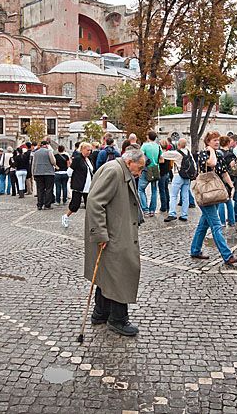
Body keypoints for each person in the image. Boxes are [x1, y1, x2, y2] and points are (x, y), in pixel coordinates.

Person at [84, 145, 145, 336]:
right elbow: (95, 202)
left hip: (116, 230)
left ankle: (100, 313)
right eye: (139, 168)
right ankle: (118, 319)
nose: (140, 172)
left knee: (107, 273)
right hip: (113, 234)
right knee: (121, 273)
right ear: (129, 162)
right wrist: (100, 233)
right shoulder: (114, 171)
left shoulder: (120, 169)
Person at [190, 132, 237, 266]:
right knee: (216, 225)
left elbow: (223, 172)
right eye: (213, 140)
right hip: (205, 194)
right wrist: (211, 150)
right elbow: (211, 164)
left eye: (218, 140)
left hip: (216, 193)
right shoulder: (204, 154)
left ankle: (195, 250)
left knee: (203, 224)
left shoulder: (219, 154)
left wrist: (231, 185)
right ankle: (227, 256)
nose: (217, 142)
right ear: (208, 142)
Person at [62, 143, 94, 228]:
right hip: (79, 186)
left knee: (90, 205)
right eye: (87, 150)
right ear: (82, 149)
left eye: (90, 150)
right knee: (75, 205)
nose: (89, 152)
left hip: (89, 186)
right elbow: (69, 172)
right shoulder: (77, 159)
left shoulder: (89, 159)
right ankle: (66, 216)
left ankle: (91, 222)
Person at [138, 131, 162, 216]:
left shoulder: (144, 146)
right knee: (154, 190)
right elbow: (161, 159)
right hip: (155, 169)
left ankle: (145, 210)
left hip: (146, 169)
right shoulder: (158, 146)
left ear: (148, 137)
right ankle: (152, 210)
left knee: (140, 189)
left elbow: (140, 157)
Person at [32, 140, 57, 209]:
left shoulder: (35, 153)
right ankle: (47, 205)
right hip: (48, 173)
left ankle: (39, 204)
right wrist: (55, 165)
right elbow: (53, 161)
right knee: (49, 189)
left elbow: (33, 164)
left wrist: (33, 173)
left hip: (38, 173)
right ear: (46, 145)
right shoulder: (49, 151)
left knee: (40, 189)